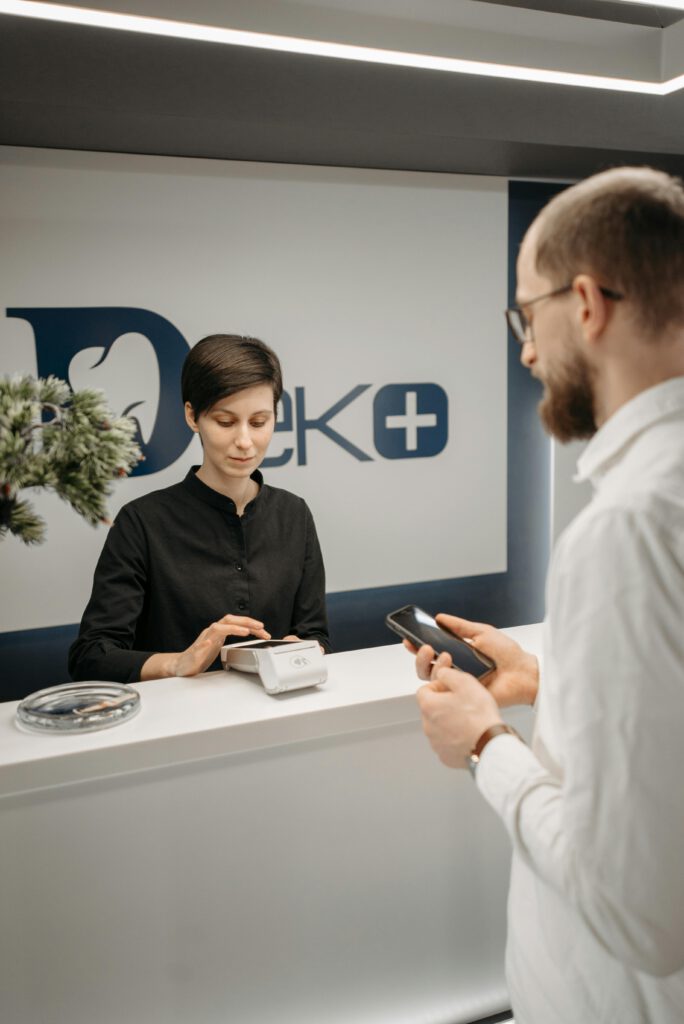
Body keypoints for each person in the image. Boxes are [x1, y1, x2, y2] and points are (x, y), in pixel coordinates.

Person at [410, 168, 684, 1021]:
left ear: (589, 303)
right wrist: (540, 681)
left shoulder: (628, 528)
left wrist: (487, 743)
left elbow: (639, 912)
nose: (525, 350)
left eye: (527, 316)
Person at [69, 334, 329, 683]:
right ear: (193, 416)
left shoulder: (294, 514)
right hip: (177, 724)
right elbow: (91, 656)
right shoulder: (142, 523)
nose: (244, 441)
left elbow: (316, 634)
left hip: (278, 712)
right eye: (225, 422)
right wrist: (178, 662)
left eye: (258, 422)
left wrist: (305, 650)